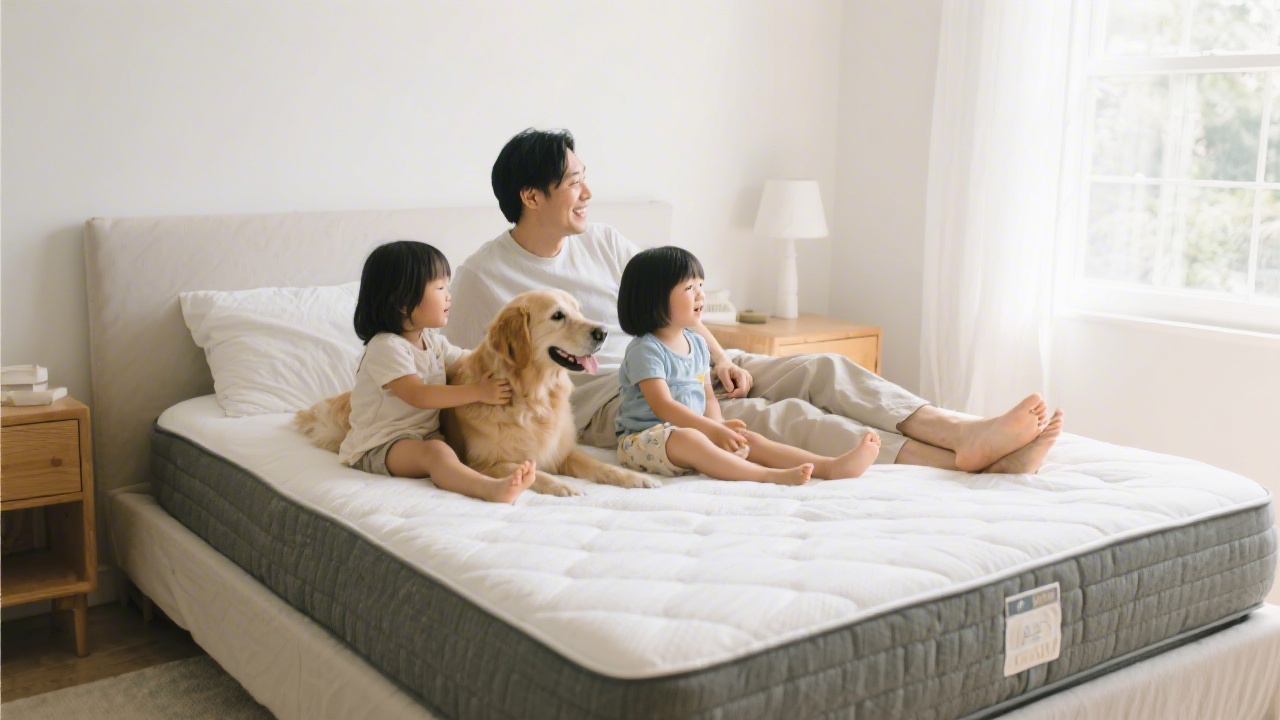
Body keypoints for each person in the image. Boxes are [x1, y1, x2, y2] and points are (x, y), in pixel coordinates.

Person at [444, 128, 1064, 475]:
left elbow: (671, 309)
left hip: (678, 354)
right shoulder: (482, 278)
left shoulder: (603, 241)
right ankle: (954, 461)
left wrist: (717, 357)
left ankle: (962, 430)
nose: (587, 192)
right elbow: (457, 373)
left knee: (820, 368)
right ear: (531, 196)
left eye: (584, 178)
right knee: (761, 418)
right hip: (614, 394)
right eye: (574, 182)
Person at [615, 246, 882, 485]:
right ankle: (766, 475)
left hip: (695, 431)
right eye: (689, 288)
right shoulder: (645, 349)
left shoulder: (697, 343)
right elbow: (663, 405)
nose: (700, 295)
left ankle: (830, 467)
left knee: (746, 437)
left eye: (700, 285)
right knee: (690, 439)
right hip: (644, 440)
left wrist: (720, 427)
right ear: (654, 298)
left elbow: (708, 397)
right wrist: (711, 431)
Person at [338, 240, 536, 503]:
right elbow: (418, 395)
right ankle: (491, 489)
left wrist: (510, 357)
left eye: (448, 287)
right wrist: (478, 392)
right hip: (381, 444)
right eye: (440, 288)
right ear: (403, 301)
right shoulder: (386, 347)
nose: (448, 295)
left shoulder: (432, 342)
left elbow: (469, 361)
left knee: (447, 448)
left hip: (424, 435)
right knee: (435, 453)